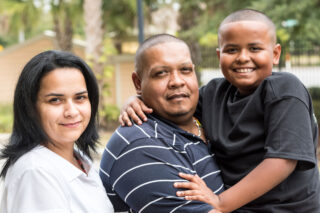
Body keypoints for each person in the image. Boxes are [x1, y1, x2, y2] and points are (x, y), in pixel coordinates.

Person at [119, 9, 320, 213]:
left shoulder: (284, 90)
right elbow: (175, 105)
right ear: (219, 55)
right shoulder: (213, 94)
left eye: (254, 48)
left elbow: (282, 160)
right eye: (231, 50)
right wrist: (135, 100)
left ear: (275, 54)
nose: (243, 57)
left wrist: (222, 202)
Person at [99, 34, 224, 213]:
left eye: (185, 69)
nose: (177, 81)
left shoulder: (209, 116)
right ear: (138, 83)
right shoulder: (140, 144)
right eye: (161, 73)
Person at [0, 50, 114, 213]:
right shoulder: (36, 172)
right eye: (55, 100)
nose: (72, 111)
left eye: (80, 97)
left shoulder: (78, 159)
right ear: (30, 107)